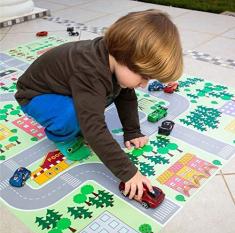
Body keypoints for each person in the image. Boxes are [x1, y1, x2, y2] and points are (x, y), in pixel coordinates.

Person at [15, 9, 183, 201]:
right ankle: (62, 137)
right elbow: (93, 126)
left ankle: (73, 118)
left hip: (64, 87)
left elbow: (126, 97)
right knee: (75, 115)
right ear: (122, 56)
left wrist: (133, 131)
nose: (145, 84)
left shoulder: (115, 60)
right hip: (36, 95)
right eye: (143, 76)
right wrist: (128, 173)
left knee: (115, 92)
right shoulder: (90, 71)